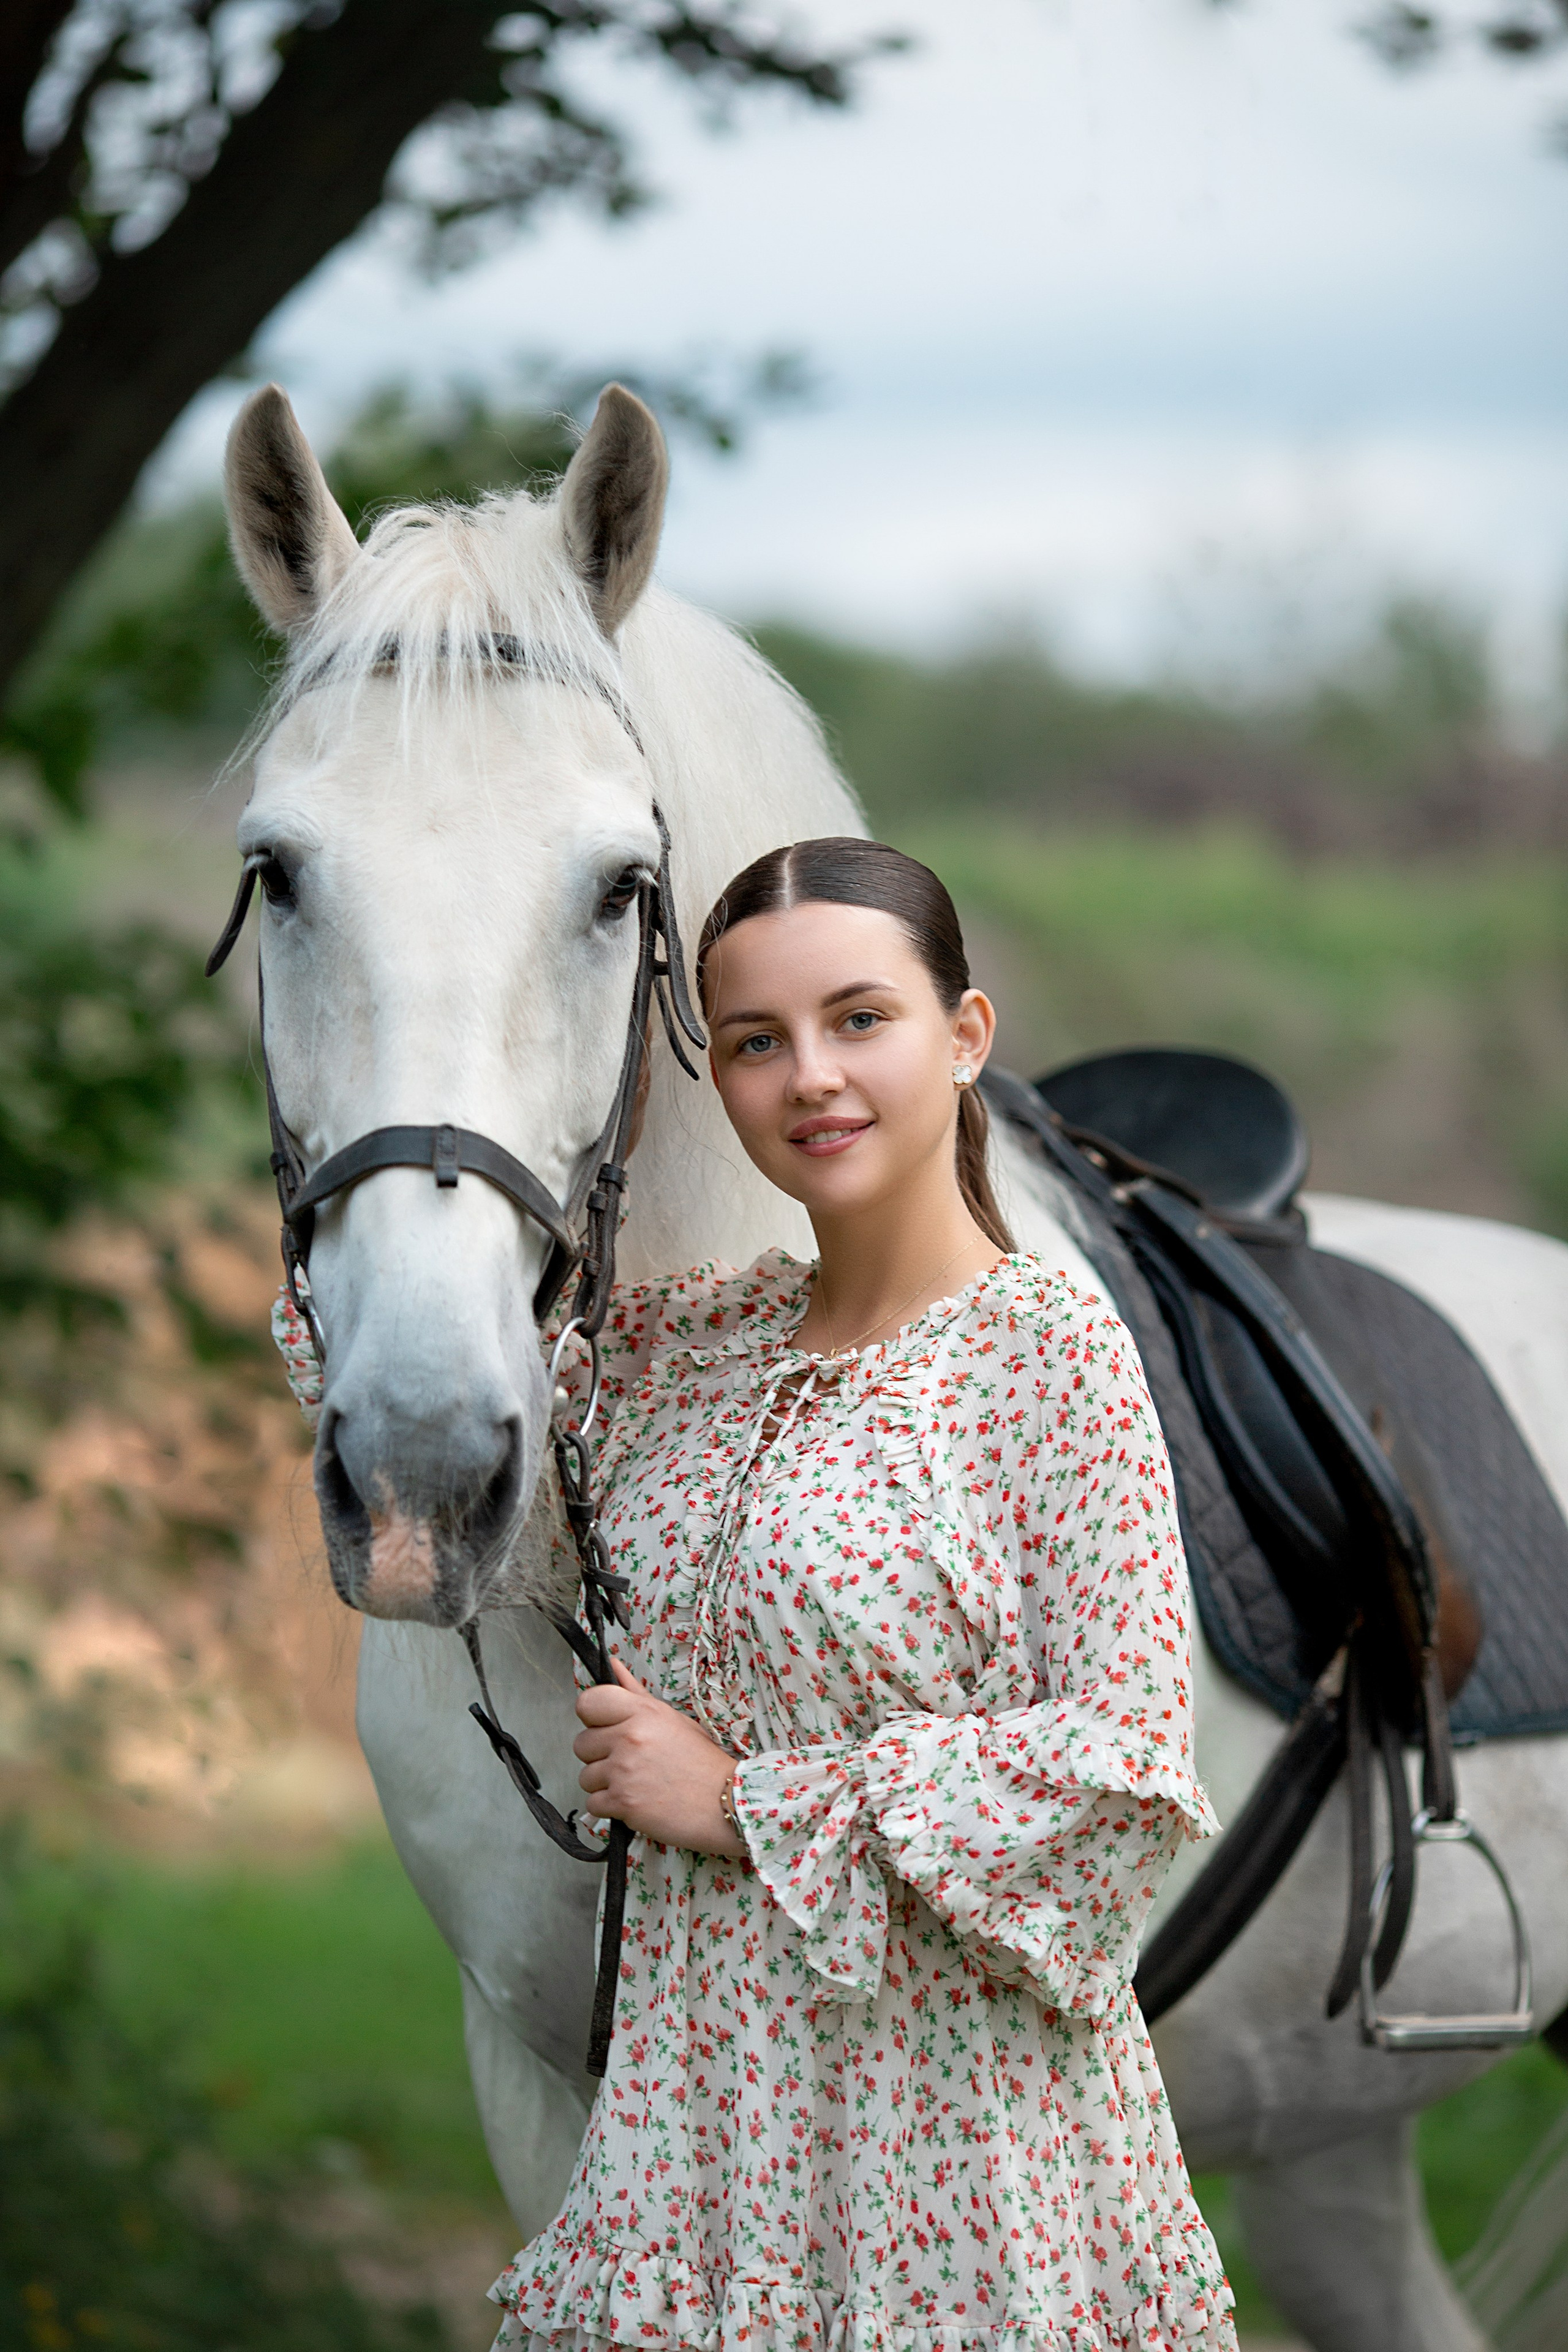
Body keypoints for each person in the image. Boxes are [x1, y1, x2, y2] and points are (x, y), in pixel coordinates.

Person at [280, 836, 1237, 2352]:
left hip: (952, 2164)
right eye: (753, 1041)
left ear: (964, 1035)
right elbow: (442, 1461)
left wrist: (740, 1802)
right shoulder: (684, 1351)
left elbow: (1118, 1776)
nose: (810, 1077)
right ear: (709, 1081)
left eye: (861, 1019)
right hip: (697, 2145)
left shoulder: (1047, 1357)